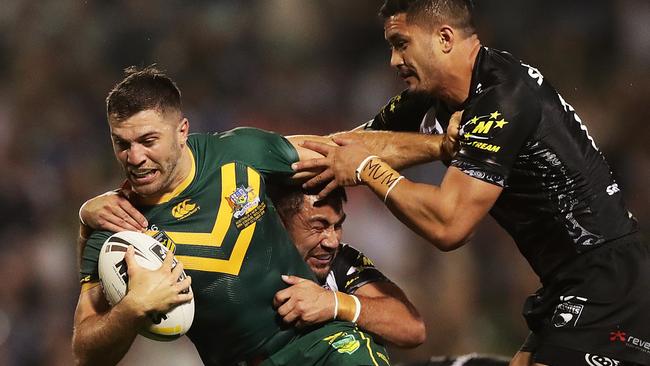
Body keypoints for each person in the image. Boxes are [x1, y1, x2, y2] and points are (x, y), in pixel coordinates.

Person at [292, 1, 650, 365]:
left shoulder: (504, 96)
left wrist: (368, 169)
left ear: (444, 38)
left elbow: (450, 225)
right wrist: (255, 152)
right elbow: (340, 147)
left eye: (401, 43)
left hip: (608, 284)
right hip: (568, 285)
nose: (394, 60)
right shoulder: (436, 98)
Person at [72, 65, 396, 366]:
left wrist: (441, 148)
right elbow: (85, 353)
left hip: (320, 343)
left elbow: (345, 155)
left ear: (181, 131)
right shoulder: (115, 231)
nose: (135, 157)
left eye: (148, 141)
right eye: (122, 144)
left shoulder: (238, 154)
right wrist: (131, 309)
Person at [81, 183, 426, 349]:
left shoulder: (339, 263)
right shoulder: (223, 263)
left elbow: (412, 329)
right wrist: (87, 218)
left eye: (338, 226)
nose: (333, 240)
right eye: (319, 226)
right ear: (280, 222)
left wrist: (335, 304)